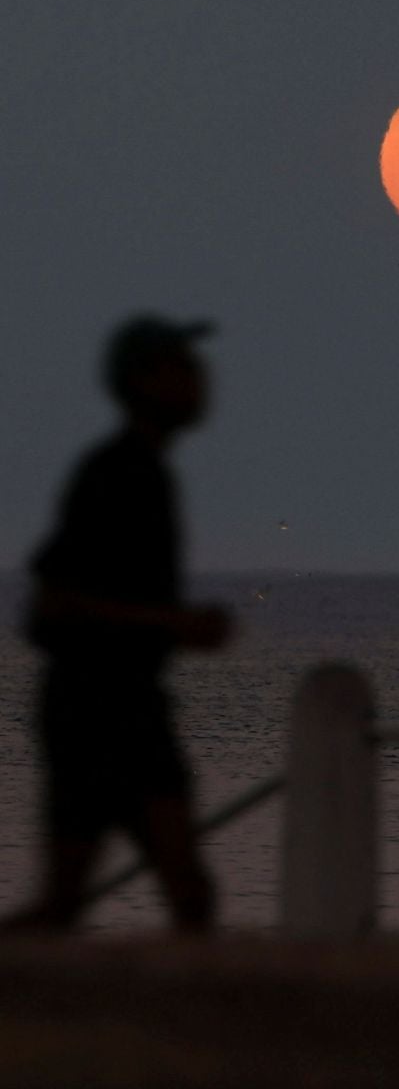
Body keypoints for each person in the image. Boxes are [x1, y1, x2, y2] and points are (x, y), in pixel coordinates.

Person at [14, 315, 234, 933]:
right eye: (182, 368)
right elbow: (52, 606)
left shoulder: (144, 473)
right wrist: (172, 623)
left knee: (178, 893)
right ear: (144, 382)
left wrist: (166, 627)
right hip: (95, 710)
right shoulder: (118, 474)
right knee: (87, 901)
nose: (201, 381)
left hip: (126, 706)